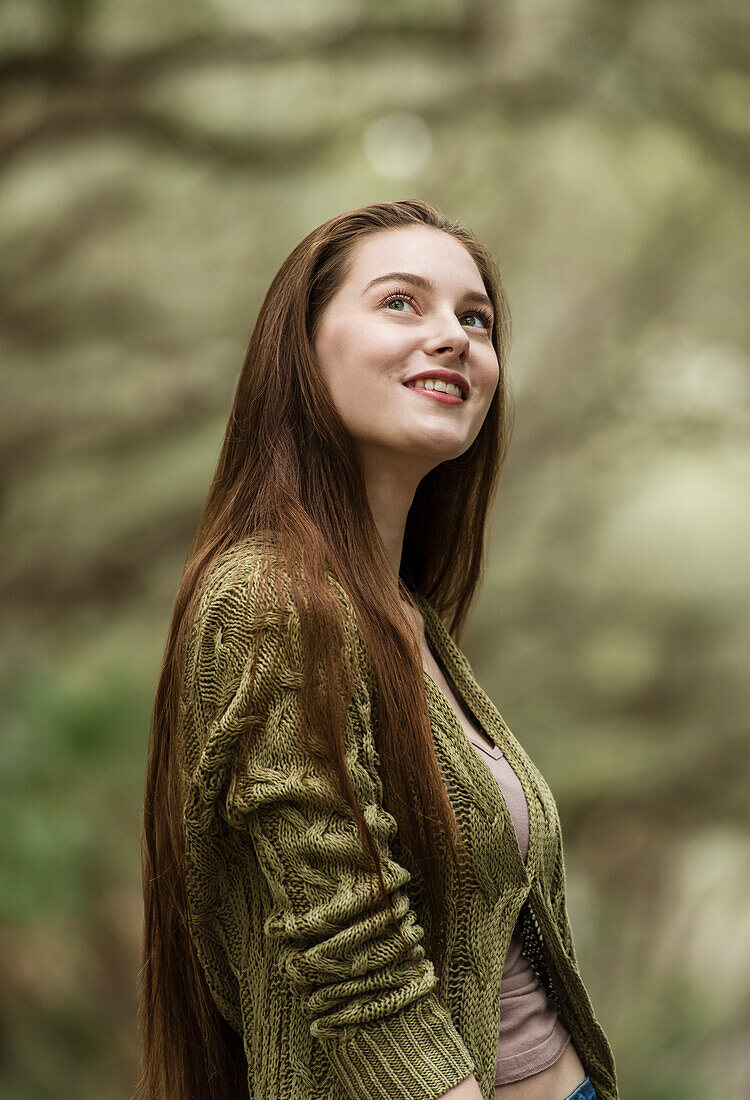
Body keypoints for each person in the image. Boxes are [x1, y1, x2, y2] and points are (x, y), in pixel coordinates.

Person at [137, 199, 617, 1100]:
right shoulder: (269, 597)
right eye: (402, 303)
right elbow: (351, 949)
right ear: (302, 351)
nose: (454, 338)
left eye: (475, 319)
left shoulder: (405, 616)